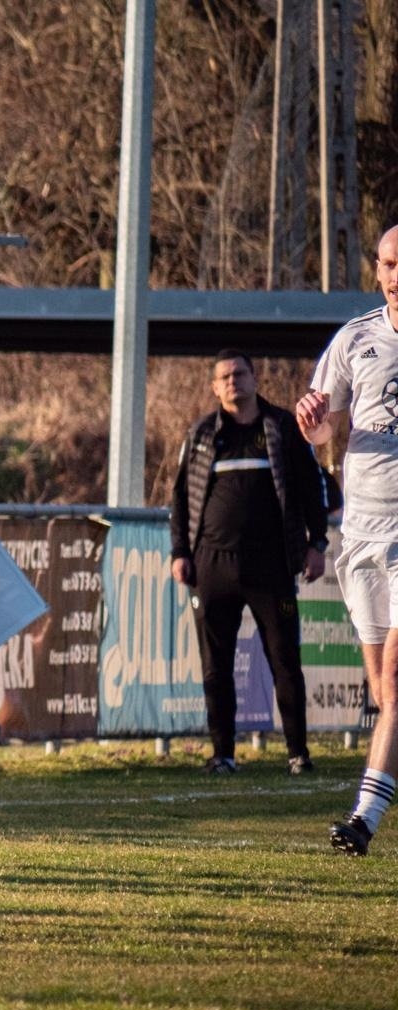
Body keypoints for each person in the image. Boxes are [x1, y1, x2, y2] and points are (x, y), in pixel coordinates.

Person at [169, 349, 327, 775]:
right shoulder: (203, 433)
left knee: (284, 660)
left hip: (271, 565)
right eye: (224, 377)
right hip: (212, 565)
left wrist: (317, 544)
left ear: (255, 379)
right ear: (214, 387)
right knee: (215, 666)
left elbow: (312, 487)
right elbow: (180, 498)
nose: (233, 381)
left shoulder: (281, 428)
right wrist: (180, 552)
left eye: (239, 373)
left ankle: (298, 754)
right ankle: (223, 754)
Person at [297, 223, 398, 855]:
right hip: (362, 534)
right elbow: (323, 433)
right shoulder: (355, 338)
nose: (396, 276)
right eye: (388, 264)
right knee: (383, 694)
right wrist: (311, 423)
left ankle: (363, 818)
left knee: (397, 683)